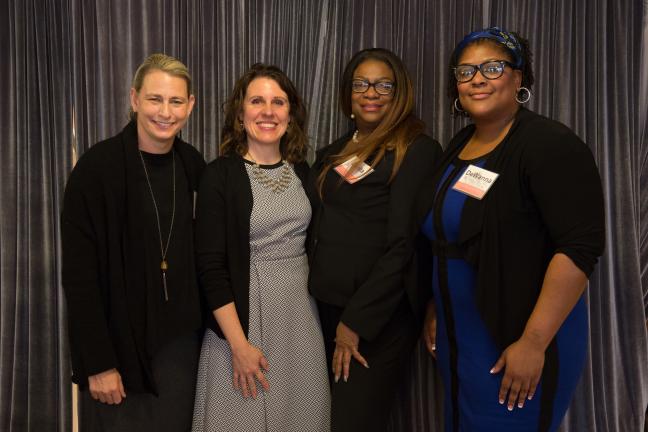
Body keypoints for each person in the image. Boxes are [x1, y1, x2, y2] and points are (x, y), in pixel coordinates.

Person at [416, 27, 605, 431]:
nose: (477, 79)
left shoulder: (549, 144)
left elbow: (578, 248)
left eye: (492, 67)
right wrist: (437, 305)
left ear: (518, 78)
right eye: (465, 71)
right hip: (459, 339)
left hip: (516, 340)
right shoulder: (460, 144)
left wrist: (534, 342)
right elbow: (449, 238)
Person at [61, 53, 205, 431]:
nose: (165, 112)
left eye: (176, 101)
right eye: (155, 99)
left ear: (190, 106)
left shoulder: (193, 165)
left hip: (178, 349)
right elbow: (79, 279)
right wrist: (98, 363)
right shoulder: (95, 170)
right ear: (134, 99)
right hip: (116, 351)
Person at [307, 48, 442, 431]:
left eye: (384, 84)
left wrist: (355, 324)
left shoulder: (415, 150)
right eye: (361, 84)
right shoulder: (333, 151)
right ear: (348, 94)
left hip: (376, 318)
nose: (372, 92)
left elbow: (403, 246)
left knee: (351, 422)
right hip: (326, 310)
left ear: (399, 93)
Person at [191, 63, 330, 432]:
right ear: (240, 115)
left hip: (301, 320)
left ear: (290, 114)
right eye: (257, 101)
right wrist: (238, 345)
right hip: (240, 324)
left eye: (278, 102)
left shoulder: (303, 171)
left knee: (302, 418)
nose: (268, 111)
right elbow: (211, 267)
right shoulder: (218, 175)